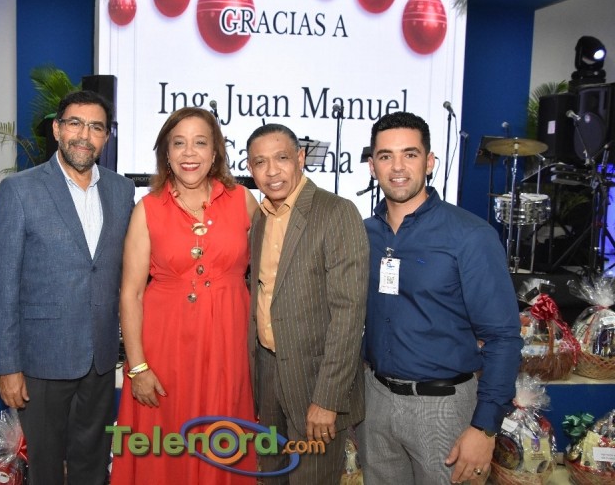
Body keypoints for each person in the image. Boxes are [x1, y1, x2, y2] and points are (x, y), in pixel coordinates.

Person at [358, 111, 523, 484]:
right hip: (375, 402)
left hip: (443, 408)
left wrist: (484, 427)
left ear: (429, 162)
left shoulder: (470, 235)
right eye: (385, 156)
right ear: (372, 166)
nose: (397, 167)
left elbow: (503, 337)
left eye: (410, 154)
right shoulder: (364, 234)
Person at [0, 90, 135, 485]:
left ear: (106, 136)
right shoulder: (20, 190)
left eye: (96, 127)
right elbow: (1, 287)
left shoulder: (121, 191)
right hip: (42, 361)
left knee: (93, 466)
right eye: (75, 124)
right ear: (56, 129)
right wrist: (8, 366)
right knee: (46, 469)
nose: (84, 135)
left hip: (100, 359)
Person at [110, 107, 259, 484]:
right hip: (165, 355)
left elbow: (271, 275)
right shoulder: (147, 210)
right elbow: (130, 294)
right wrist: (137, 367)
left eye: (200, 143)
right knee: (165, 448)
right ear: (166, 153)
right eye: (179, 143)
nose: (189, 153)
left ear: (215, 152)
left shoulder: (243, 201)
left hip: (228, 353)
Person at [245, 123, 369, 484]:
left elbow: (349, 315)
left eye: (281, 158)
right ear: (250, 169)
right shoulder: (260, 217)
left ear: (300, 158)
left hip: (315, 383)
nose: (272, 171)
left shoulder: (336, 212)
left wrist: (328, 399)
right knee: (270, 476)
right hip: (268, 373)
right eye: (260, 162)